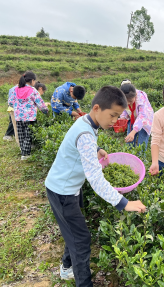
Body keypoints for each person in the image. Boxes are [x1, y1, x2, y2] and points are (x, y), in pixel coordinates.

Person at [45, 86, 146, 285]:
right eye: (113, 115)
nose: (115, 121)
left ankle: (66, 268)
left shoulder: (87, 122)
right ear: (97, 108)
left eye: (119, 116)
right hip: (63, 192)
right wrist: (124, 203)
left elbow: (82, 143)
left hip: (68, 187)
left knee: (73, 231)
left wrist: (96, 149)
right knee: (81, 239)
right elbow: (96, 179)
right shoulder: (85, 134)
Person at [8, 71, 49, 160]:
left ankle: (23, 152)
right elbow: (40, 104)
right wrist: (46, 111)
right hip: (29, 117)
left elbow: (10, 102)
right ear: (32, 80)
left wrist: (18, 106)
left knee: (21, 135)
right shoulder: (32, 90)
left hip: (18, 116)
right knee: (28, 135)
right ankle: (26, 155)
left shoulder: (16, 89)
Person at [119, 80, 154, 149]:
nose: (128, 103)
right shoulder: (122, 98)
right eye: (126, 102)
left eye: (131, 101)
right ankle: (130, 158)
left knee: (141, 145)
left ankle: (141, 158)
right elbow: (124, 109)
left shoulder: (141, 98)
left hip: (145, 121)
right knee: (129, 142)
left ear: (135, 96)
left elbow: (142, 116)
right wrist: (123, 118)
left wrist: (134, 131)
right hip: (132, 118)